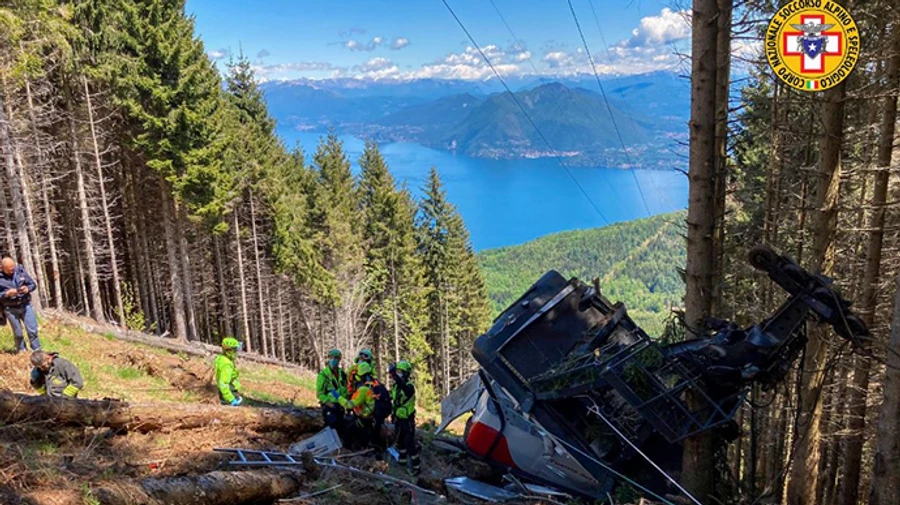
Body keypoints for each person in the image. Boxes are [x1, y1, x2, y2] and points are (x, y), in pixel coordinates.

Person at [1, 255, 42, 353]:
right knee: (18, 333)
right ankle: (22, 351)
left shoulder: (20, 271)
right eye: (9, 270)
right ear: (2, 268)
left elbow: (32, 284)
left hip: (25, 305)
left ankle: (37, 350)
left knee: (32, 330)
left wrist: (27, 289)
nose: (12, 271)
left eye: (13, 269)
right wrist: (6, 294)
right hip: (10, 308)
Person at [339, 361, 383, 451]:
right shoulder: (376, 386)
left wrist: (337, 397)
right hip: (374, 418)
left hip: (365, 418)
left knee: (349, 430)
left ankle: (348, 450)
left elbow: (350, 405)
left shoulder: (364, 389)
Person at [390, 360, 420, 474]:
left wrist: (395, 376)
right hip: (398, 418)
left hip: (407, 420)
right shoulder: (395, 386)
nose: (399, 374)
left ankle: (416, 467)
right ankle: (402, 462)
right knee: (400, 442)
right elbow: (394, 400)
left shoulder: (409, 386)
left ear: (406, 373)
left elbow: (406, 390)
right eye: (397, 371)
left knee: (409, 443)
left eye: (401, 372)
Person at [316, 349, 348, 434]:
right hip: (330, 406)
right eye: (331, 357)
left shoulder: (342, 373)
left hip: (341, 406)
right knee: (332, 427)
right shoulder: (324, 374)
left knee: (341, 429)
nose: (334, 360)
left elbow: (345, 388)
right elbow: (319, 393)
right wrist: (329, 403)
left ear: (339, 359)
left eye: (336, 358)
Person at [215, 337, 243, 406]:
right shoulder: (226, 365)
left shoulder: (222, 358)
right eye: (235, 350)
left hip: (226, 392)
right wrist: (231, 399)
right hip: (230, 393)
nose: (237, 353)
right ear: (229, 351)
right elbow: (223, 383)